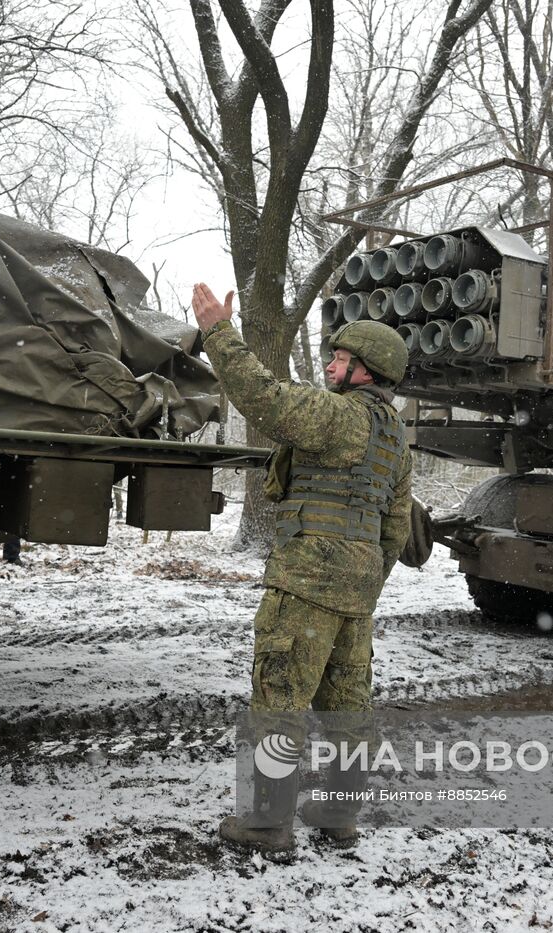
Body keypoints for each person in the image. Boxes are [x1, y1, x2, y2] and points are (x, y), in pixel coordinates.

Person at [190, 283, 412, 855]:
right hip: (358, 587)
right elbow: (397, 524)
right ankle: (338, 816)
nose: (331, 366)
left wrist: (219, 331)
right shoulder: (395, 440)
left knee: (280, 696)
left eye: (340, 359)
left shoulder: (339, 417)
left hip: (307, 580)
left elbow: (261, 396)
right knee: (347, 702)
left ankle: (267, 824)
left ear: (366, 372)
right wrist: (364, 577)